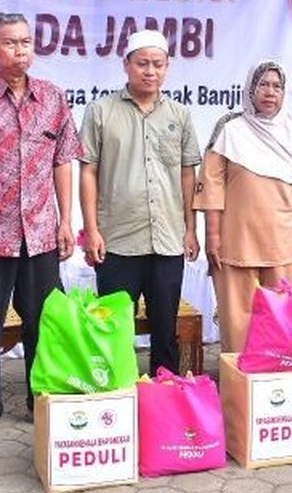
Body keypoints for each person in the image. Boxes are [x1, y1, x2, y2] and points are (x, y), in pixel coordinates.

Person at [0, 13, 80, 448]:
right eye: (10, 43)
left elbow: (63, 160)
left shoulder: (53, 98)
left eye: (26, 42)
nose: (20, 50)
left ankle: (40, 400)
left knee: (44, 323)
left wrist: (67, 219)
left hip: (42, 231)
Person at [80, 29, 201, 375]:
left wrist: (191, 228)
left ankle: (164, 397)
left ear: (167, 68)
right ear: (126, 65)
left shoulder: (179, 115)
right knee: (115, 330)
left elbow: (187, 174)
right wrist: (91, 230)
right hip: (118, 239)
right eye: (142, 63)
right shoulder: (100, 111)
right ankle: (118, 396)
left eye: (158, 64)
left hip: (168, 239)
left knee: (165, 328)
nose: (150, 71)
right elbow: (88, 171)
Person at [194, 60, 292, 353]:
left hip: (286, 242)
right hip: (235, 241)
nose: (270, 92)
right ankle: (238, 393)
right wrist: (212, 237)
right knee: (237, 322)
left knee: (281, 322)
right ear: (251, 89)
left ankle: (277, 390)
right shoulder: (230, 131)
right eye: (263, 84)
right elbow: (211, 185)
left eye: (277, 86)